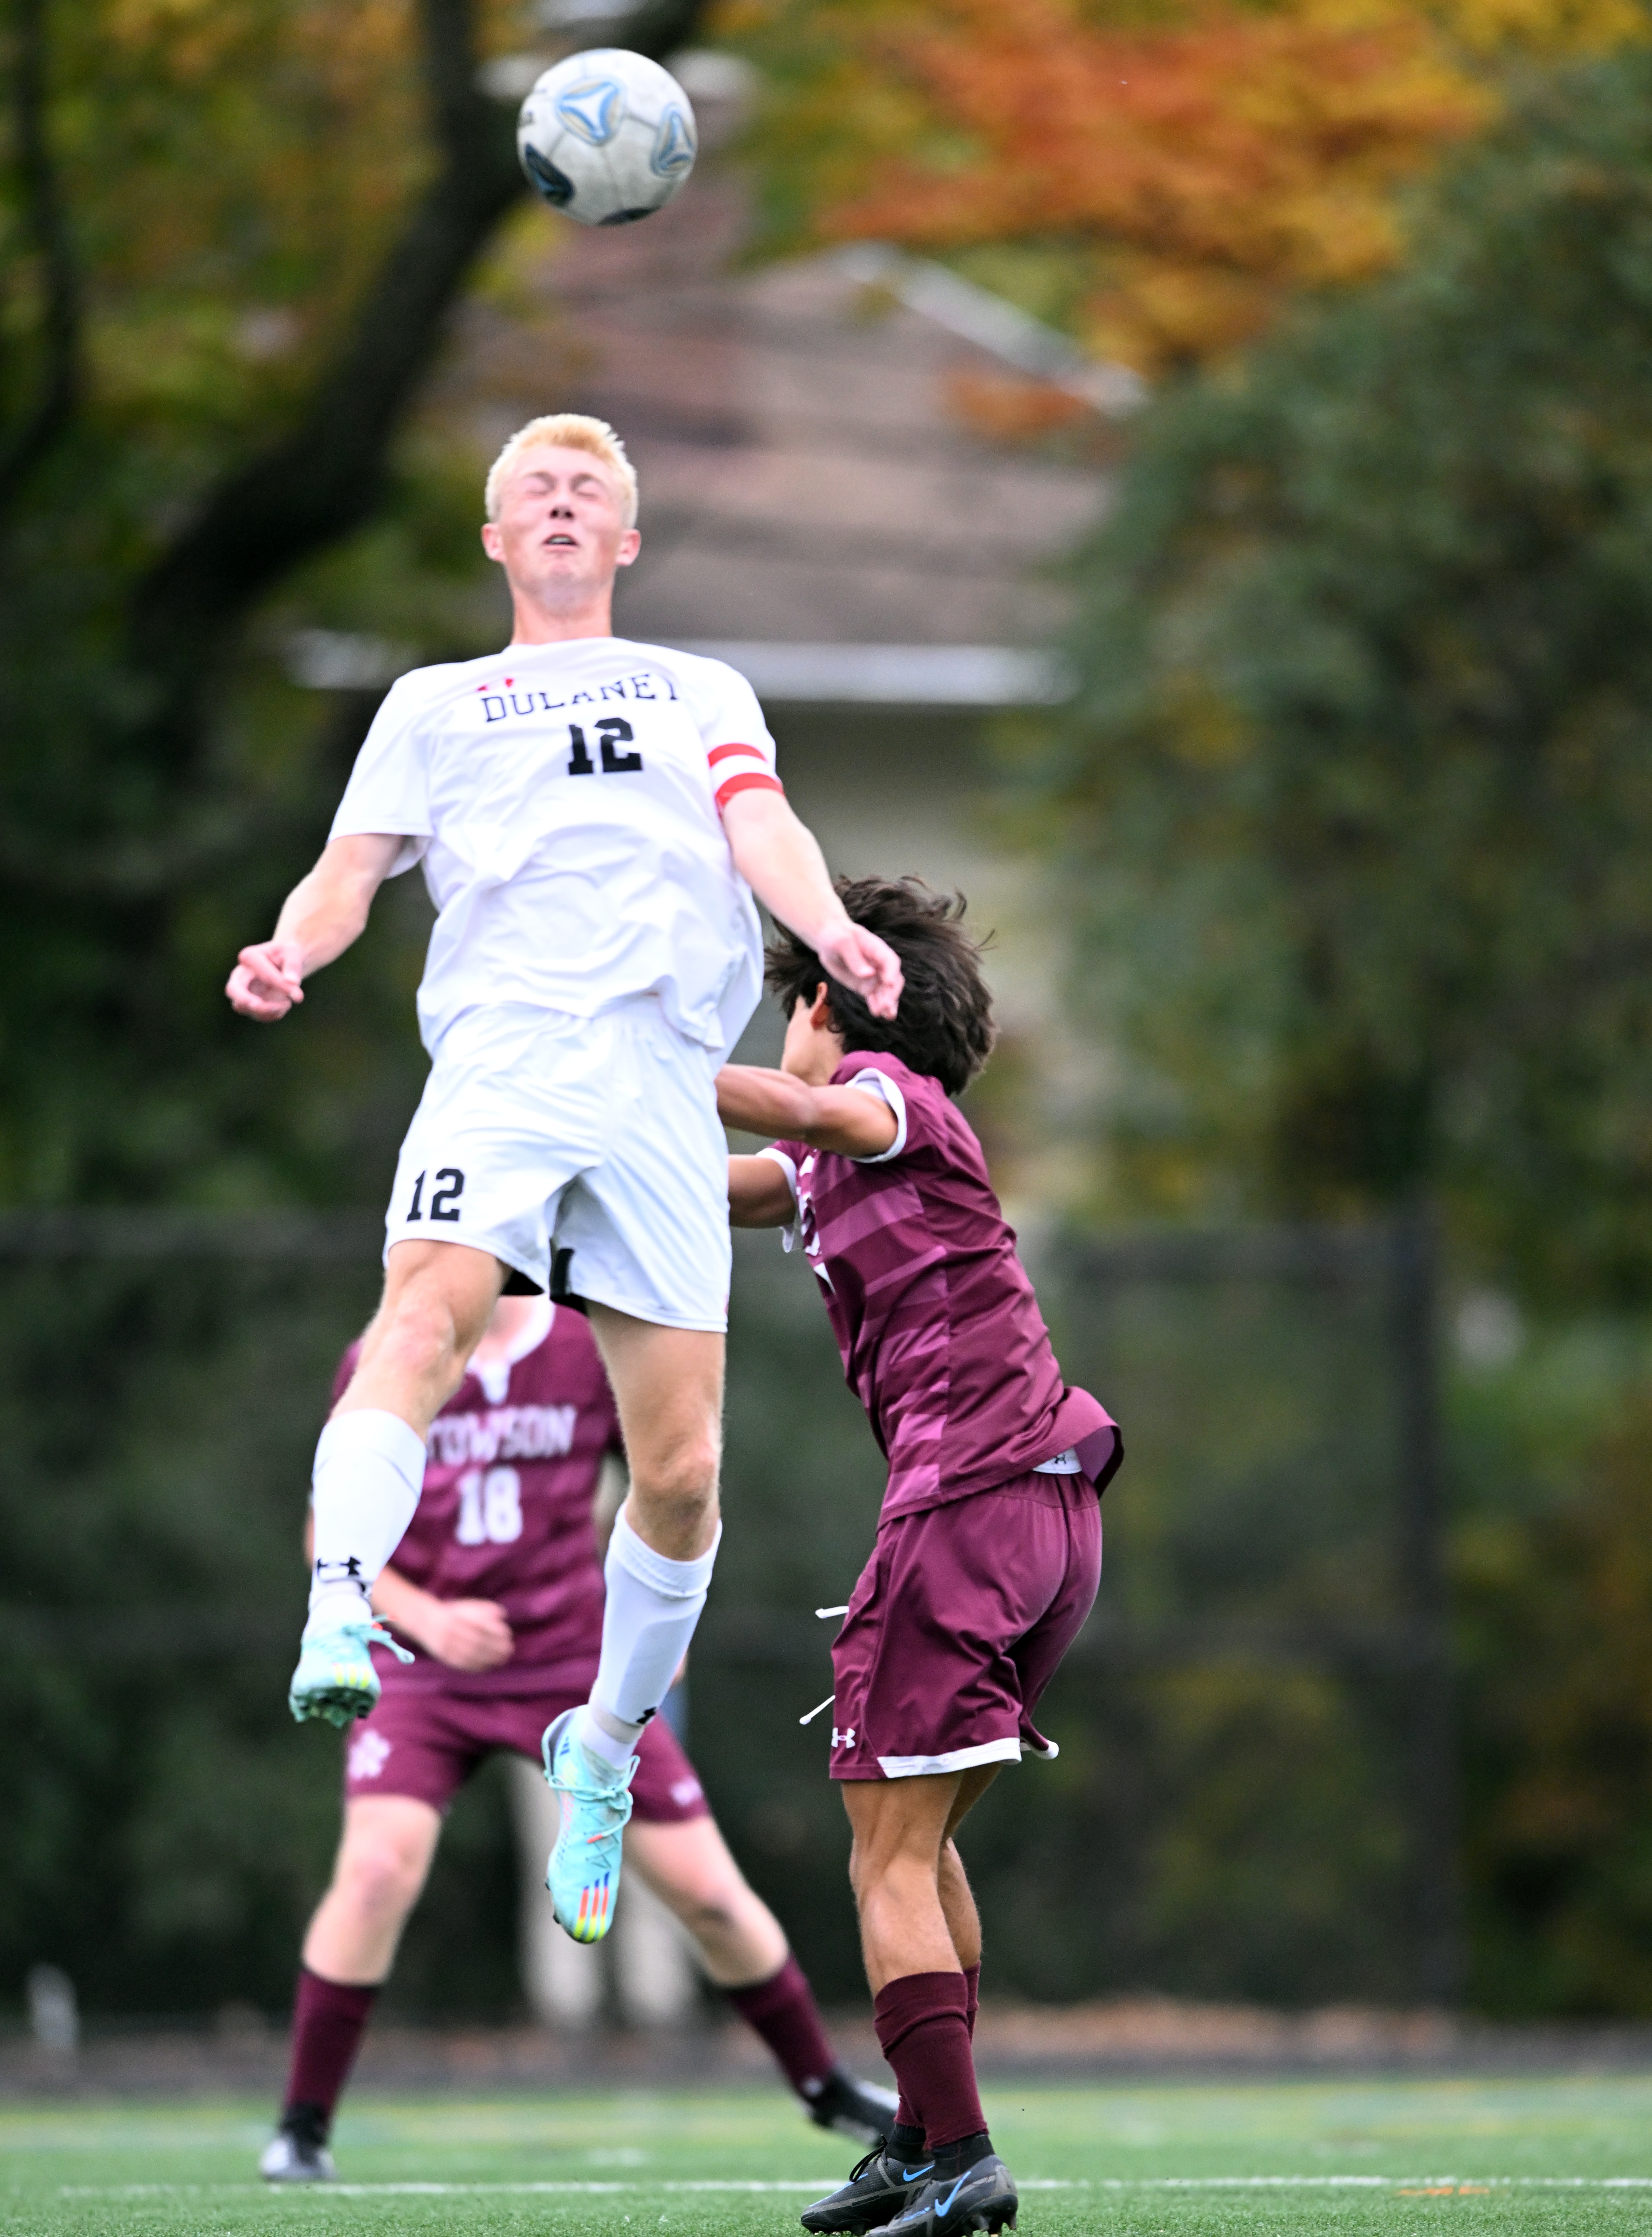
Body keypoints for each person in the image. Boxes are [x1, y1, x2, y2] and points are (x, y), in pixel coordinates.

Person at [225, 413, 901, 1948]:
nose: (561, 498)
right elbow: (349, 869)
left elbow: (761, 823)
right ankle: (345, 1590)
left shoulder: (698, 687)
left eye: (590, 486)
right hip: (511, 1058)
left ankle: (602, 1743)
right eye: (533, 484)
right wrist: (292, 948)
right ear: (495, 537)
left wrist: (833, 924)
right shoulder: (437, 700)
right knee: (423, 1319)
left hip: (665, 1072)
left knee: (681, 1474)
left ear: (626, 541)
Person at [261, 1290, 897, 2182]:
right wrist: (429, 1619)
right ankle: (301, 2128)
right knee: (374, 1872)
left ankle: (825, 2088)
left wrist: (652, 1635)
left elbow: (674, 1482)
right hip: (425, 1666)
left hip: (569, 1659)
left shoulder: (587, 1347)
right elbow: (330, 1529)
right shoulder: (392, 1343)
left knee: (707, 1894)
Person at [719, 879, 1122, 2237]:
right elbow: (718, 1184)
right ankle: (919, 2137)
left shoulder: (892, 1098)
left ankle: (961, 2154)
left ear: (832, 1004)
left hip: (970, 1501)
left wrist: (612, 1053)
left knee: (881, 1857)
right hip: (1045, 1509)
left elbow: (816, 1109)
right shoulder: (845, 1152)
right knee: (915, 1831)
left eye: (793, 1007)